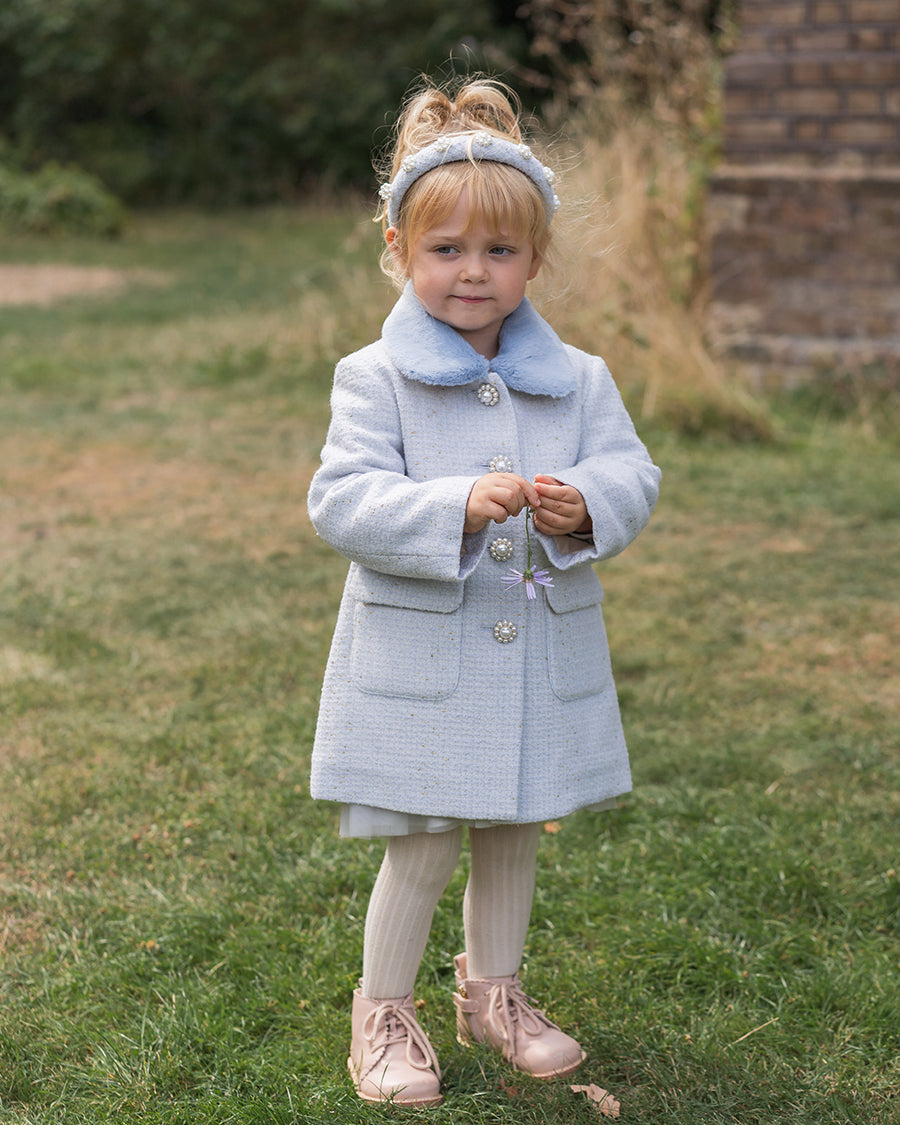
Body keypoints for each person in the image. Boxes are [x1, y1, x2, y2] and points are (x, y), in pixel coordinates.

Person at [307, 76, 661, 1108]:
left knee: (513, 830)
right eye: (446, 248)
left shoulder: (581, 378)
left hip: (536, 654)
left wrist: (587, 504)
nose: (473, 271)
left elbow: (633, 471)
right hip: (425, 662)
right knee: (421, 842)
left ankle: (493, 995)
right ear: (399, 251)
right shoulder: (375, 377)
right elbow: (341, 499)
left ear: (534, 259)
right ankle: (383, 1011)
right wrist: (454, 504)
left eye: (499, 250)